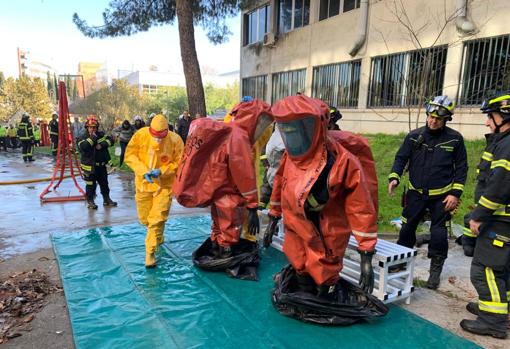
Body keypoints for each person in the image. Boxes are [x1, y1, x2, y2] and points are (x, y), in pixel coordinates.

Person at [263, 95, 378, 300]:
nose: (294, 138)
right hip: (295, 224)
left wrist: (366, 254)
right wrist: (273, 216)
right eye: (288, 130)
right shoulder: (291, 157)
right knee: (298, 259)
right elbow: (280, 184)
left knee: (324, 268)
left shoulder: (342, 162)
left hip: (326, 228)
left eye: (298, 130)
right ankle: (304, 292)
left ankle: (324, 297)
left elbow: (361, 208)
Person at [173, 99, 272, 267]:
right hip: (229, 192)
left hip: (217, 188)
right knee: (229, 224)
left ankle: (216, 247)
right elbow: (245, 175)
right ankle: (225, 254)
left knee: (218, 223)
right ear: (253, 119)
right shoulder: (239, 136)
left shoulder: (228, 130)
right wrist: (253, 206)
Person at [388, 95, 468, 289]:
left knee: (438, 234)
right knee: (407, 229)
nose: (432, 121)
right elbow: (401, 158)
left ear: (446, 119)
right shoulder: (414, 136)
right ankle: (400, 261)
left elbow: (462, 168)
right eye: (430, 117)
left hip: (441, 197)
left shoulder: (455, 139)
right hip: (415, 194)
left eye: (438, 119)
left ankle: (435, 270)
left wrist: (455, 194)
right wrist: (394, 177)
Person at [460, 92, 510, 339]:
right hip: (503, 220)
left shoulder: (507, 145)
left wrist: (478, 216)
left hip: (500, 220)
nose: (487, 122)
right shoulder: (503, 141)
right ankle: (502, 311)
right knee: (503, 269)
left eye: (491, 116)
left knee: (485, 269)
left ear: (505, 116)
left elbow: (498, 186)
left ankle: (493, 321)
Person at [125, 114, 184, 268]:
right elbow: (130, 155)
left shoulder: (175, 140)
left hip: (164, 186)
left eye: (161, 137)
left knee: (156, 218)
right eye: (155, 136)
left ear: (167, 131)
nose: (158, 140)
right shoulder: (140, 135)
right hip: (144, 184)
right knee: (145, 219)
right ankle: (158, 235)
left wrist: (163, 171)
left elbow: (180, 162)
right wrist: (143, 170)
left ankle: (150, 253)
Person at [77, 116, 117, 210]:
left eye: (94, 127)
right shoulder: (82, 137)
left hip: (101, 166)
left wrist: (102, 145)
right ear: (87, 127)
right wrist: (93, 137)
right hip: (89, 167)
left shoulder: (101, 134)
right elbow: (84, 146)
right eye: (90, 127)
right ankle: (90, 202)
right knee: (90, 185)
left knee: (104, 184)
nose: (93, 129)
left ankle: (106, 200)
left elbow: (111, 140)